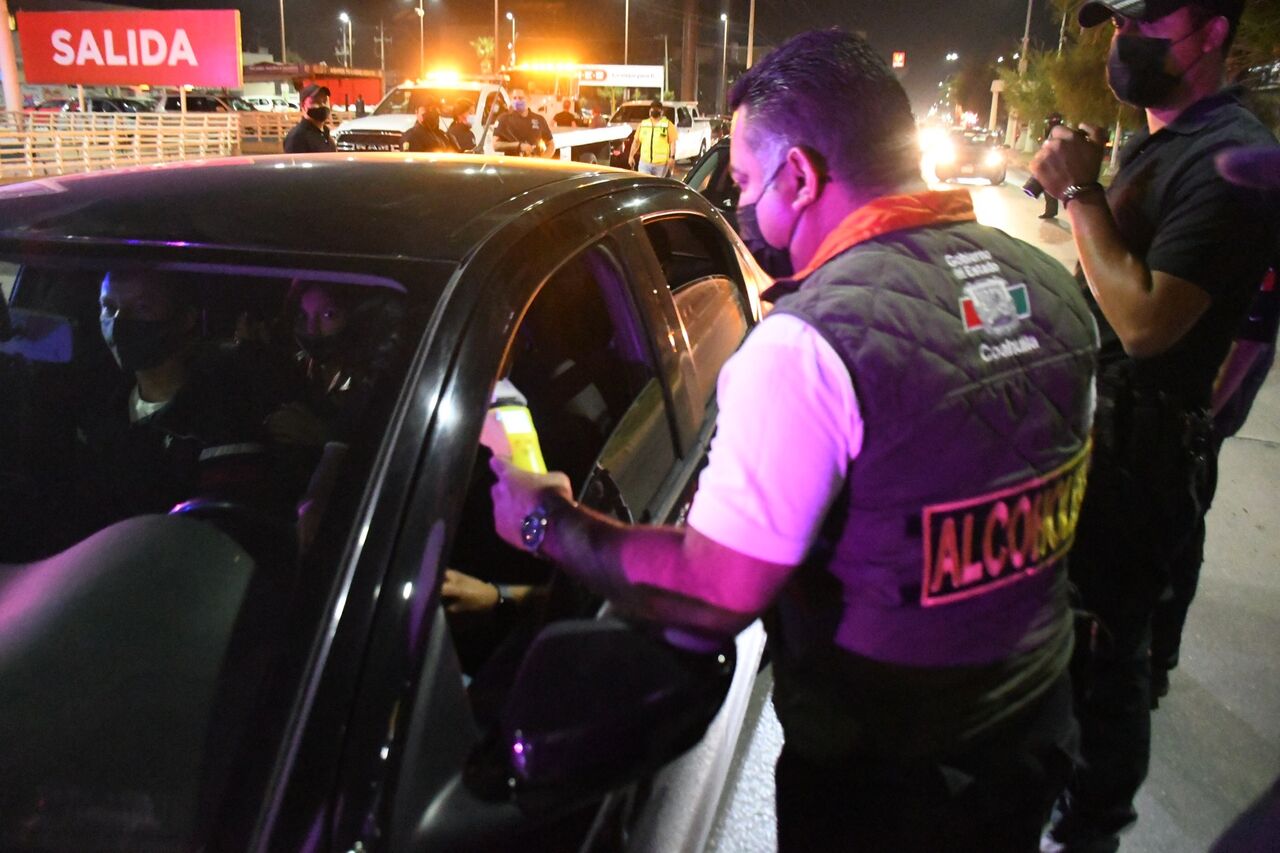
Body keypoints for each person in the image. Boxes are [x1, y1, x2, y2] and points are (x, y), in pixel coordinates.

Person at [491, 29, 1098, 852]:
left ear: (800, 176)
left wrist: (543, 518)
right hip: (1032, 730)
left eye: (745, 180)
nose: (741, 203)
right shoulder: (1049, 284)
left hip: (889, 783)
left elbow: (713, 595)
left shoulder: (809, 347)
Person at [1029, 2, 1279, 850]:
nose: (1124, 43)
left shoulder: (1230, 159)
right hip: (1109, 440)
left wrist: (1079, 193)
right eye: (1117, 24)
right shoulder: (1163, 141)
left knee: (1110, 657)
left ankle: (1088, 829)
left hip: (1144, 459)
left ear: (1212, 33)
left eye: (1148, 23)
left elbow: (1146, 322)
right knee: (1085, 645)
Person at [76, 271, 286, 530]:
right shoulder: (98, 405)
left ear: (186, 319)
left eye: (142, 308)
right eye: (109, 307)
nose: (118, 324)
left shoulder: (221, 416)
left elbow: (224, 528)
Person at [494, 89, 555, 158]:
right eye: (514, 98)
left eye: (520, 98)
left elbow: (551, 145)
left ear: (529, 100)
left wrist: (542, 159)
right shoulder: (503, 119)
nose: (517, 101)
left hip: (532, 163)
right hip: (512, 163)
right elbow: (495, 145)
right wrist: (519, 146)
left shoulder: (539, 119)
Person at [629, 100, 678, 177]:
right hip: (644, 163)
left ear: (661, 111)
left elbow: (673, 142)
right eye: (652, 108)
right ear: (650, 111)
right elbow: (636, 142)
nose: (654, 110)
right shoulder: (643, 124)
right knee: (644, 183)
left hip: (661, 165)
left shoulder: (668, 125)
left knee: (657, 184)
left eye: (657, 108)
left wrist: (672, 157)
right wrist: (631, 156)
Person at [283, 84, 336, 154]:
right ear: (303, 106)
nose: (322, 105)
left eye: (325, 101)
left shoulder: (326, 132)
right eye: (315, 102)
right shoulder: (297, 137)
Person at [1040, 113, 1064, 220]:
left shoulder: (1055, 132)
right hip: (1054, 161)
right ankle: (1051, 210)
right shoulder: (1059, 131)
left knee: (1048, 186)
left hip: (1053, 161)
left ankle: (1050, 210)